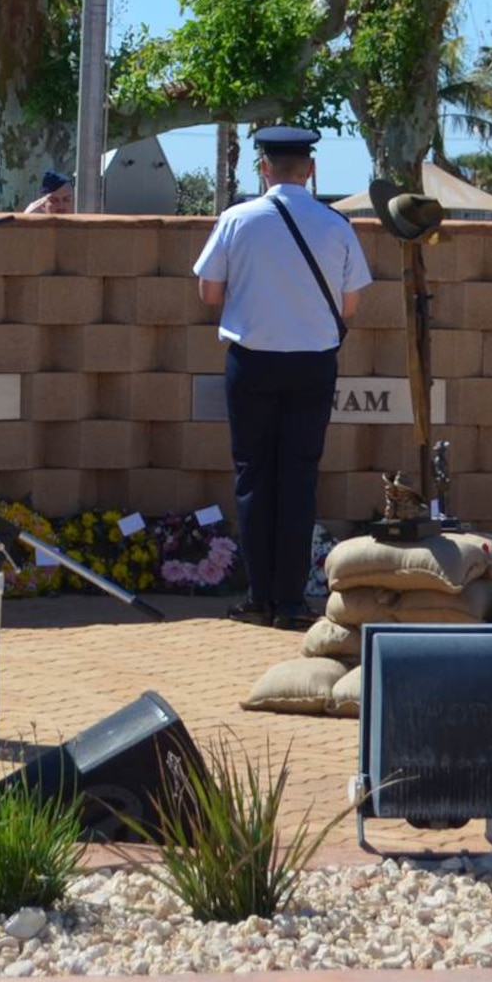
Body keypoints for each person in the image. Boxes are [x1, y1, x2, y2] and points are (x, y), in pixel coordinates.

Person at [193, 126, 372, 631]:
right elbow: (351, 302)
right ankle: (291, 600)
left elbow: (209, 291)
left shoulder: (237, 219)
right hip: (314, 361)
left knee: (253, 476)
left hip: (252, 359)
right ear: (310, 169)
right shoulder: (336, 224)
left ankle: (259, 594)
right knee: (298, 476)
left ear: (264, 168)